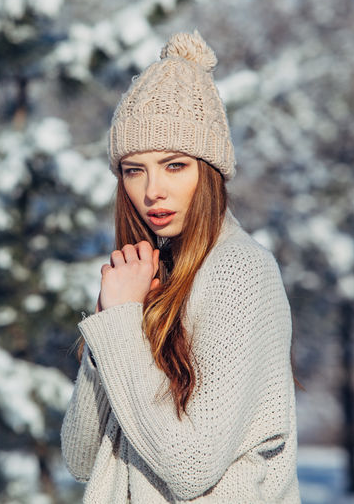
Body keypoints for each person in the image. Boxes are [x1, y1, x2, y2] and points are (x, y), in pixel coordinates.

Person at [60, 31, 300, 503]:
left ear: (208, 170)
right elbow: (81, 459)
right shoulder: (149, 276)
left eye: (174, 166)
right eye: (134, 170)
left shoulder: (238, 270)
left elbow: (192, 466)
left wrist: (121, 323)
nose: (152, 190)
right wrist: (114, 322)